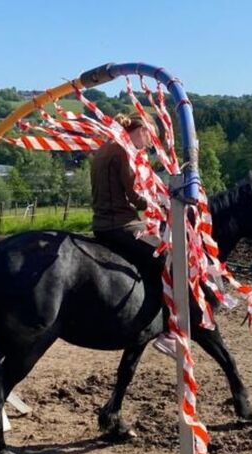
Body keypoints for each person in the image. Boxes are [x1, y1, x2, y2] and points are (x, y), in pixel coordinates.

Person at [91, 112, 177, 358]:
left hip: (102, 222)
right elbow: (133, 196)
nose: (149, 145)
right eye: (150, 137)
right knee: (169, 255)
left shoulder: (104, 149)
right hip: (121, 224)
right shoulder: (122, 151)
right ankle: (169, 330)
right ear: (140, 129)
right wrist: (162, 203)